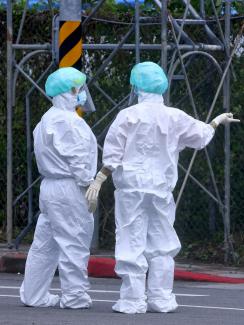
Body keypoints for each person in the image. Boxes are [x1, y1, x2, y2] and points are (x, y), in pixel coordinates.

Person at [85, 61, 240, 314]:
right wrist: (216, 122)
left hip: (132, 189)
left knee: (130, 240)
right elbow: (201, 137)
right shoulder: (175, 116)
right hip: (160, 189)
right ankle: (161, 298)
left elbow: (113, 154)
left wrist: (99, 179)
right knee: (162, 242)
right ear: (162, 86)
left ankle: (132, 300)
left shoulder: (128, 115)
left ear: (135, 86)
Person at [20, 67, 98, 309]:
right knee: (74, 241)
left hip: (50, 188)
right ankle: (75, 297)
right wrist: (90, 183)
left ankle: (34, 294)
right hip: (71, 188)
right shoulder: (69, 122)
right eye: (78, 89)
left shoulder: (46, 119)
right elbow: (78, 159)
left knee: (45, 244)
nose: (82, 94)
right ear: (69, 92)